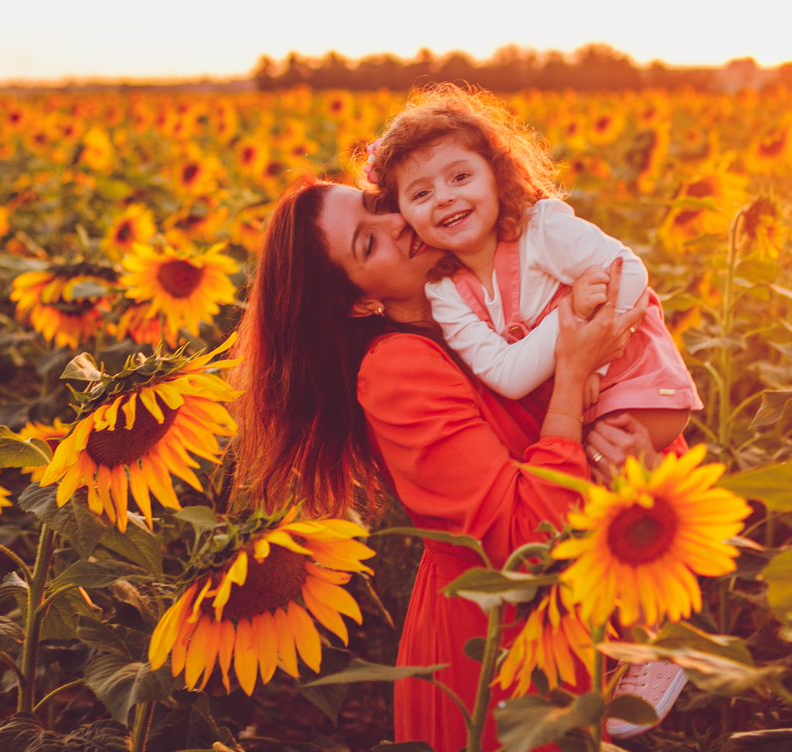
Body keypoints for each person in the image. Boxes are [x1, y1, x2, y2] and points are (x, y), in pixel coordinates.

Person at [229, 177, 675, 748]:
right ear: (364, 300)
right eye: (368, 244)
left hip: (582, 613)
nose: (396, 226)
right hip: (495, 644)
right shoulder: (398, 372)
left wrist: (639, 458)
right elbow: (522, 540)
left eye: (378, 208)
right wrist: (570, 376)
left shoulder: (491, 293)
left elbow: (638, 394)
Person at [363, 85, 703, 458]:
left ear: (496, 174)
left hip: (638, 384)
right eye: (421, 194)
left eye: (460, 177)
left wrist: (597, 365)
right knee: (584, 484)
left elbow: (631, 276)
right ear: (403, 215)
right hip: (573, 412)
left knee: (610, 475)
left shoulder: (540, 229)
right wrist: (574, 313)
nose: (444, 196)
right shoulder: (444, 291)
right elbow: (508, 377)